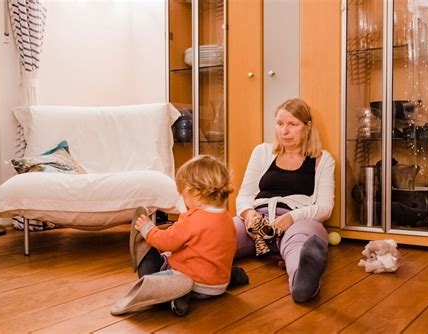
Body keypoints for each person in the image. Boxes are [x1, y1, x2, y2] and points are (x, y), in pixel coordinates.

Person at [234, 98, 335, 303]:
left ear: (307, 127)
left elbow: (325, 207)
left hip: (297, 222)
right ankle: (166, 265)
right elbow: (244, 195)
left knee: (301, 242)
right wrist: (248, 214)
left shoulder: (323, 159)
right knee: (218, 232)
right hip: (257, 221)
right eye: (280, 124)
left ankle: (303, 283)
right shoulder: (262, 151)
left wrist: (291, 217)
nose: (284, 131)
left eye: (292, 124)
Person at [133, 154, 242, 316]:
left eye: (183, 195)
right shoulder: (226, 218)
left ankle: (177, 296)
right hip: (218, 286)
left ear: (195, 194)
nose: (183, 200)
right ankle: (235, 275)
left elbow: (167, 241)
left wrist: (148, 229)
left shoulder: (193, 219)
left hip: (192, 284)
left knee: (150, 277)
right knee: (174, 257)